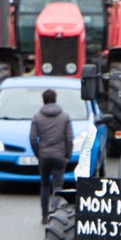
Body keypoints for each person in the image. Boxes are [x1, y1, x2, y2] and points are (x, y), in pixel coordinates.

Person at [30, 88, 73, 222]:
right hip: (60, 156)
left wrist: (38, 153)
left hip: (44, 156)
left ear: (43, 100)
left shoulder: (37, 117)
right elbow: (69, 138)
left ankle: (44, 215)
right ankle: (54, 209)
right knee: (58, 185)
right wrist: (67, 154)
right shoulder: (65, 117)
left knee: (44, 185)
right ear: (55, 99)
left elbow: (32, 138)